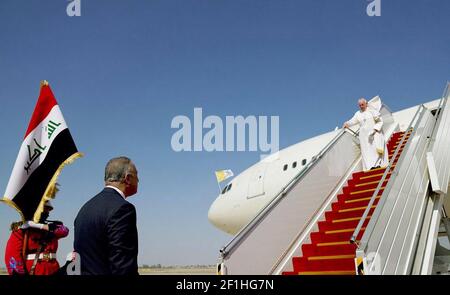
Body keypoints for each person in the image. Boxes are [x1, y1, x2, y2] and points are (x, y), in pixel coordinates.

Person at [74, 156, 139, 275]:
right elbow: (122, 267)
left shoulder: (85, 209)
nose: (138, 180)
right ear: (128, 178)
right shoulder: (122, 209)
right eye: (136, 175)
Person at [4, 188, 69, 275]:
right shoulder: (21, 229)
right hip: (33, 270)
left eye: (48, 210)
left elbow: (64, 231)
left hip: (53, 269)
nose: (47, 212)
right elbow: (12, 256)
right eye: (44, 209)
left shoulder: (51, 227)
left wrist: (40, 226)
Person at [343, 98, 389, 171]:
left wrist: (375, 129)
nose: (361, 106)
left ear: (366, 104)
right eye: (360, 105)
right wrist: (347, 123)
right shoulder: (358, 113)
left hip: (373, 134)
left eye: (362, 104)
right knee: (366, 151)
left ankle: (377, 164)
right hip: (364, 136)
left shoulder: (372, 111)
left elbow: (380, 121)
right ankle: (369, 166)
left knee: (374, 149)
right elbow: (353, 121)